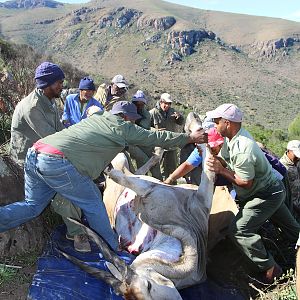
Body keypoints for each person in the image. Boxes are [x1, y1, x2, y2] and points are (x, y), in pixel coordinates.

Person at [1, 101, 208, 251]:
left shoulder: (98, 118)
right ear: (126, 118)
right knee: (93, 203)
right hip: (56, 162)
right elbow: (154, 137)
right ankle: (112, 248)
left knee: (32, 206)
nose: (132, 122)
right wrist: (189, 137)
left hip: (35, 154)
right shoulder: (122, 127)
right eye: (132, 120)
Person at [206, 103, 300, 283]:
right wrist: (213, 156)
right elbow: (226, 161)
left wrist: (221, 170)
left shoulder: (244, 148)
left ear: (227, 123)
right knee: (292, 229)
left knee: (239, 229)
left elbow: (245, 183)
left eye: (217, 121)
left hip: (265, 195)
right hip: (270, 191)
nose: (215, 125)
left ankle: (271, 268)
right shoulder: (231, 139)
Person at [9, 62, 91, 252]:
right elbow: (53, 139)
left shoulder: (48, 100)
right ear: (46, 84)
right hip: (27, 159)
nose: (61, 86)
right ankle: (76, 231)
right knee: (66, 183)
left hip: (45, 151)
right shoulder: (33, 108)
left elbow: (60, 132)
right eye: (58, 82)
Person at [149, 93, 184, 180]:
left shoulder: (173, 112)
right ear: (160, 102)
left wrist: (179, 117)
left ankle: (173, 189)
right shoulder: (152, 113)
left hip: (172, 146)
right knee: (161, 171)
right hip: (159, 147)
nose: (167, 105)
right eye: (165, 103)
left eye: (169, 104)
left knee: (173, 171)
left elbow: (180, 123)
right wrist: (155, 131)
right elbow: (145, 128)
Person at [127, 90, 161, 179]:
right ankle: (142, 181)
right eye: (137, 104)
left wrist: (137, 120)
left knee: (154, 163)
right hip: (133, 143)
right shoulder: (127, 111)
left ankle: (160, 182)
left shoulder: (145, 113)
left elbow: (145, 126)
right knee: (142, 162)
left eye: (141, 104)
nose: (139, 106)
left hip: (144, 141)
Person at [280, 140, 300, 216]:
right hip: (290, 208)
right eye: (296, 155)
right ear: (288, 151)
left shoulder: (297, 162)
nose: (298, 158)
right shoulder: (281, 167)